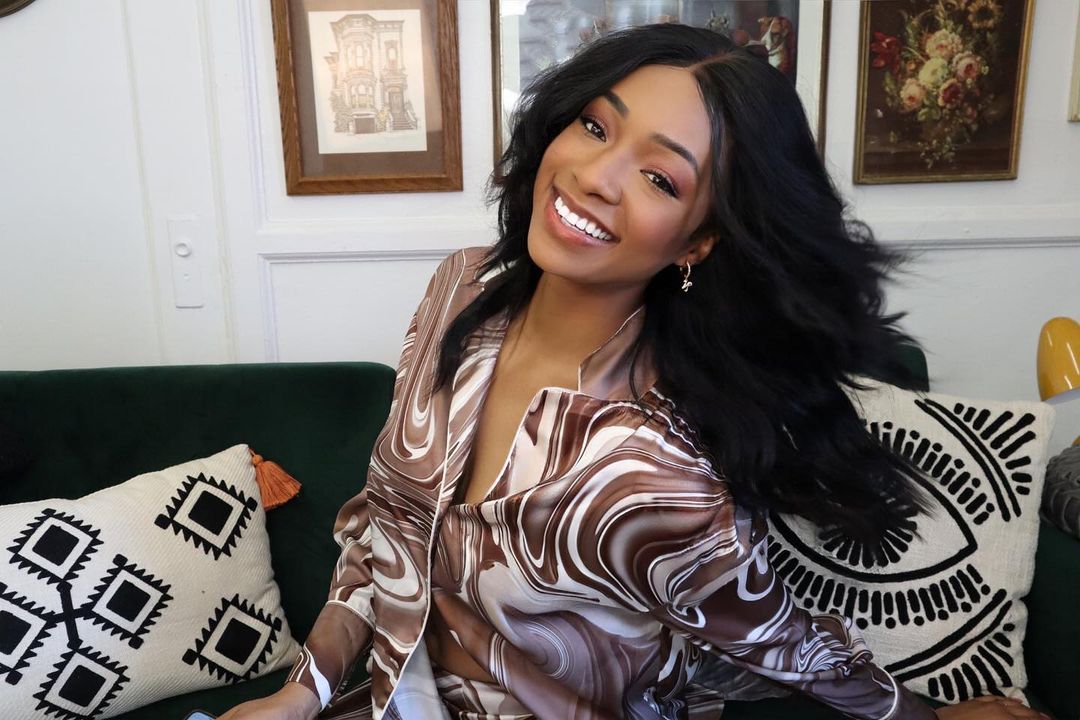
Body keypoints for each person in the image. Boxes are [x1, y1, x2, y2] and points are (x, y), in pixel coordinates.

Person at [221, 24, 1048, 720]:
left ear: (698, 240)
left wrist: (924, 715)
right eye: (594, 126)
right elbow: (387, 527)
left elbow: (780, 644)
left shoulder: (659, 473)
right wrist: (300, 694)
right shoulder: (459, 287)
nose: (594, 177)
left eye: (659, 177)